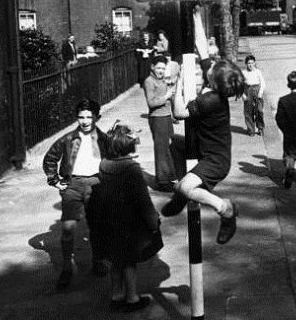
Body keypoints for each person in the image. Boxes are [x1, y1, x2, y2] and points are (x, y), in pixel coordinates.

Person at [161, 59, 245, 245]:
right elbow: (205, 55)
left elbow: (179, 113)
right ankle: (182, 195)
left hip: (215, 161)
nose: (210, 66)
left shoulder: (210, 100)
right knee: (175, 142)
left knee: (185, 187)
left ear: (214, 78)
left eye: (212, 67)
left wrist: (179, 83)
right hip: (206, 151)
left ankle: (226, 210)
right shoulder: (214, 93)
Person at [87, 124, 161, 312]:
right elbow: (143, 201)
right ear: (128, 148)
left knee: (116, 260)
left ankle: (116, 295)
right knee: (129, 262)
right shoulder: (132, 169)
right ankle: (132, 297)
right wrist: (153, 222)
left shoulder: (104, 165)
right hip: (130, 223)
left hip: (110, 219)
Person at [43, 98, 110, 289]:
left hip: (96, 183)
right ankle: (66, 267)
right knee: (67, 228)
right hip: (72, 185)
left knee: (97, 226)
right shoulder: (67, 139)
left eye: (89, 117)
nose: (85, 121)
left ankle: (98, 261)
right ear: (77, 118)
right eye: (81, 117)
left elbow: (114, 158)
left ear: (97, 117)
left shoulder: (104, 139)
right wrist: (55, 180)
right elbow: (50, 158)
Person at [143, 55, 177, 191]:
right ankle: (162, 182)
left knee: (169, 148)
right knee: (161, 150)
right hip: (157, 118)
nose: (161, 71)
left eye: (163, 68)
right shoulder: (149, 81)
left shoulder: (164, 80)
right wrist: (166, 96)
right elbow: (151, 102)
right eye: (158, 68)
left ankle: (169, 177)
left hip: (167, 117)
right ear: (152, 67)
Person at [242, 55, 266, 136]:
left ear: (254, 63)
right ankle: (251, 129)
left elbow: (262, 83)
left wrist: (260, 92)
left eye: (252, 63)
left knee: (259, 111)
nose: (250, 65)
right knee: (248, 112)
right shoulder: (244, 72)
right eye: (248, 63)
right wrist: (243, 95)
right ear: (246, 64)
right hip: (248, 91)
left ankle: (260, 128)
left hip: (257, 91)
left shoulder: (258, 72)